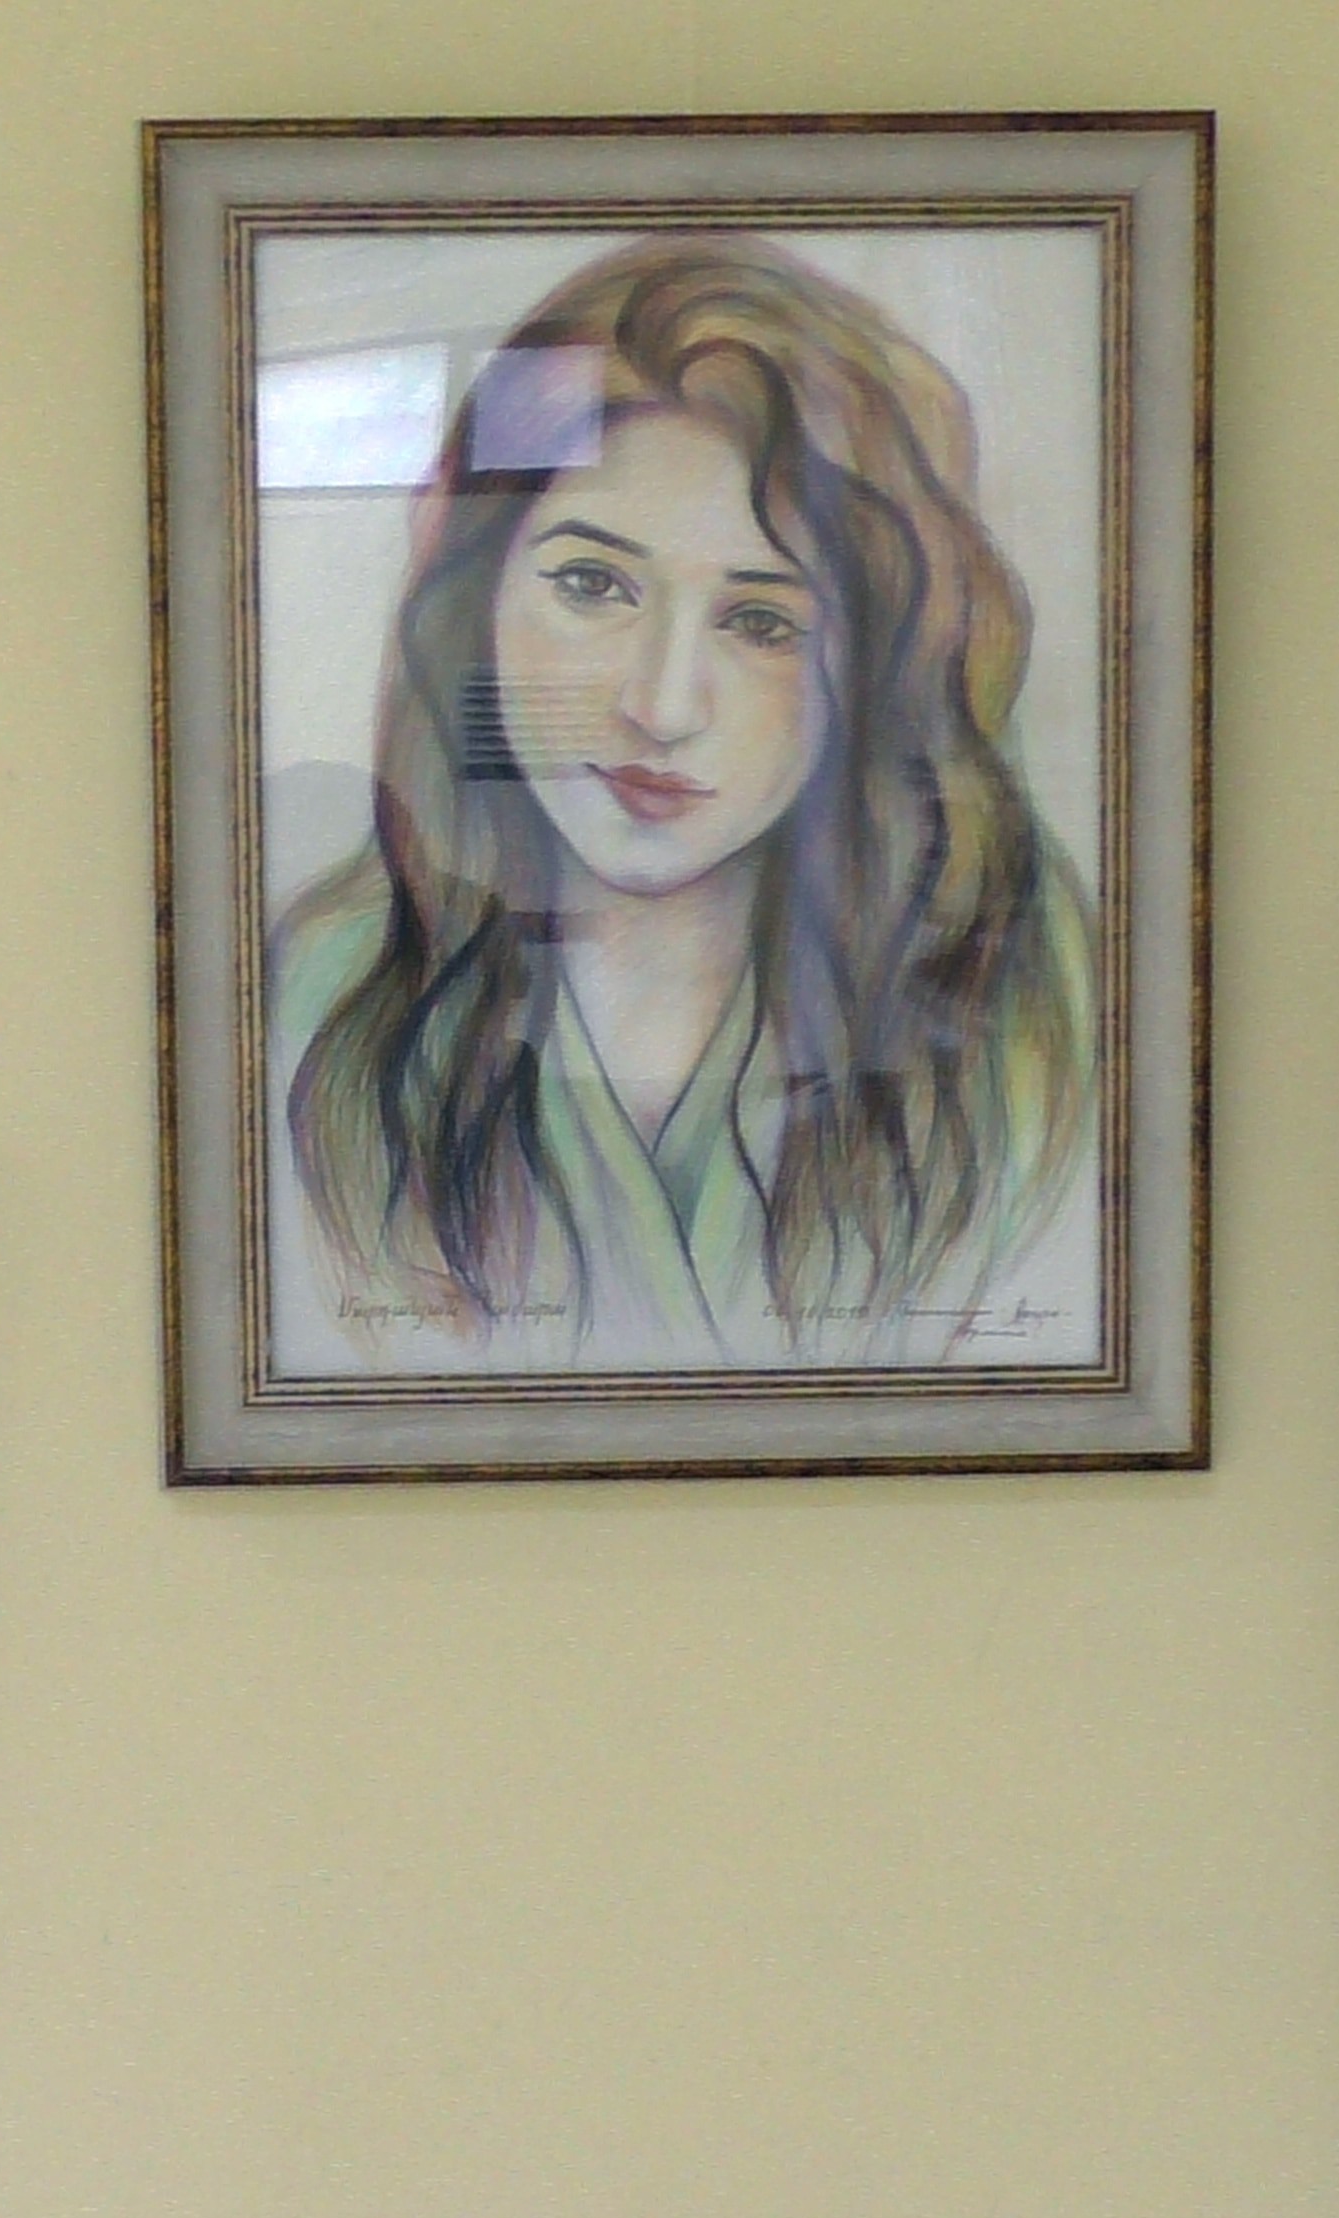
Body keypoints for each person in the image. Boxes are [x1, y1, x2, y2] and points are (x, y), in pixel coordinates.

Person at [272, 233, 1097, 1369]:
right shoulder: (317, 986)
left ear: (877, 667)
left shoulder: (1034, 993)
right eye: (591, 584)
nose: (659, 709)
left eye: (761, 621)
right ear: (474, 595)